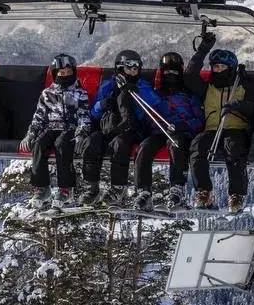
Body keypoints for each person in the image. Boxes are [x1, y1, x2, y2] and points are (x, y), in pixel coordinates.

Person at [186, 33, 254, 214]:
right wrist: (202, 50)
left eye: (222, 67)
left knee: (233, 148)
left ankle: (237, 194)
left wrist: (238, 105)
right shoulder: (208, 87)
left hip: (236, 129)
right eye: (215, 67)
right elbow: (189, 76)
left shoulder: (242, 85)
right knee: (198, 146)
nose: (218, 70)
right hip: (212, 129)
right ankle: (204, 191)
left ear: (231, 68)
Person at [79, 49, 161, 207]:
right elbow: (93, 114)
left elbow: (154, 103)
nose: (133, 71)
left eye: (136, 68)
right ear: (120, 68)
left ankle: (117, 188)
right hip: (109, 128)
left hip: (132, 129)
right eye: (129, 68)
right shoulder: (108, 86)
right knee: (92, 141)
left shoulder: (141, 85)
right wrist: (101, 105)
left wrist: (136, 91)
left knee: (120, 143)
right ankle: (92, 187)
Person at [20, 53, 92, 209]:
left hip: (70, 128)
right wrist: (31, 134)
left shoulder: (80, 93)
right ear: (55, 74)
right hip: (51, 127)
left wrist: (81, 134)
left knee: (62, 144)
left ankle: (65, 188)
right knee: (39, 144)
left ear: (73, 72)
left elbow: (84, 117)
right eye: (61, 73)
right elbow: (39, 117)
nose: (65, 76)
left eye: (68, 72)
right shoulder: (47, 94)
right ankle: (42, 187)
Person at [133, 51, 204, 211]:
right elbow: (147, 114)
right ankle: (143, 191)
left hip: (181, 133)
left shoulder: (189, 95)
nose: (170, 75)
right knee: (145, 147)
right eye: (167, 72)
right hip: (159, 132)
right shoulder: (156, 95)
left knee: (176, 144)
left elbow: (199, 119)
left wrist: (183, 126)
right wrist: (151, 126)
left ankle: (177, 188)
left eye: (174, 72)